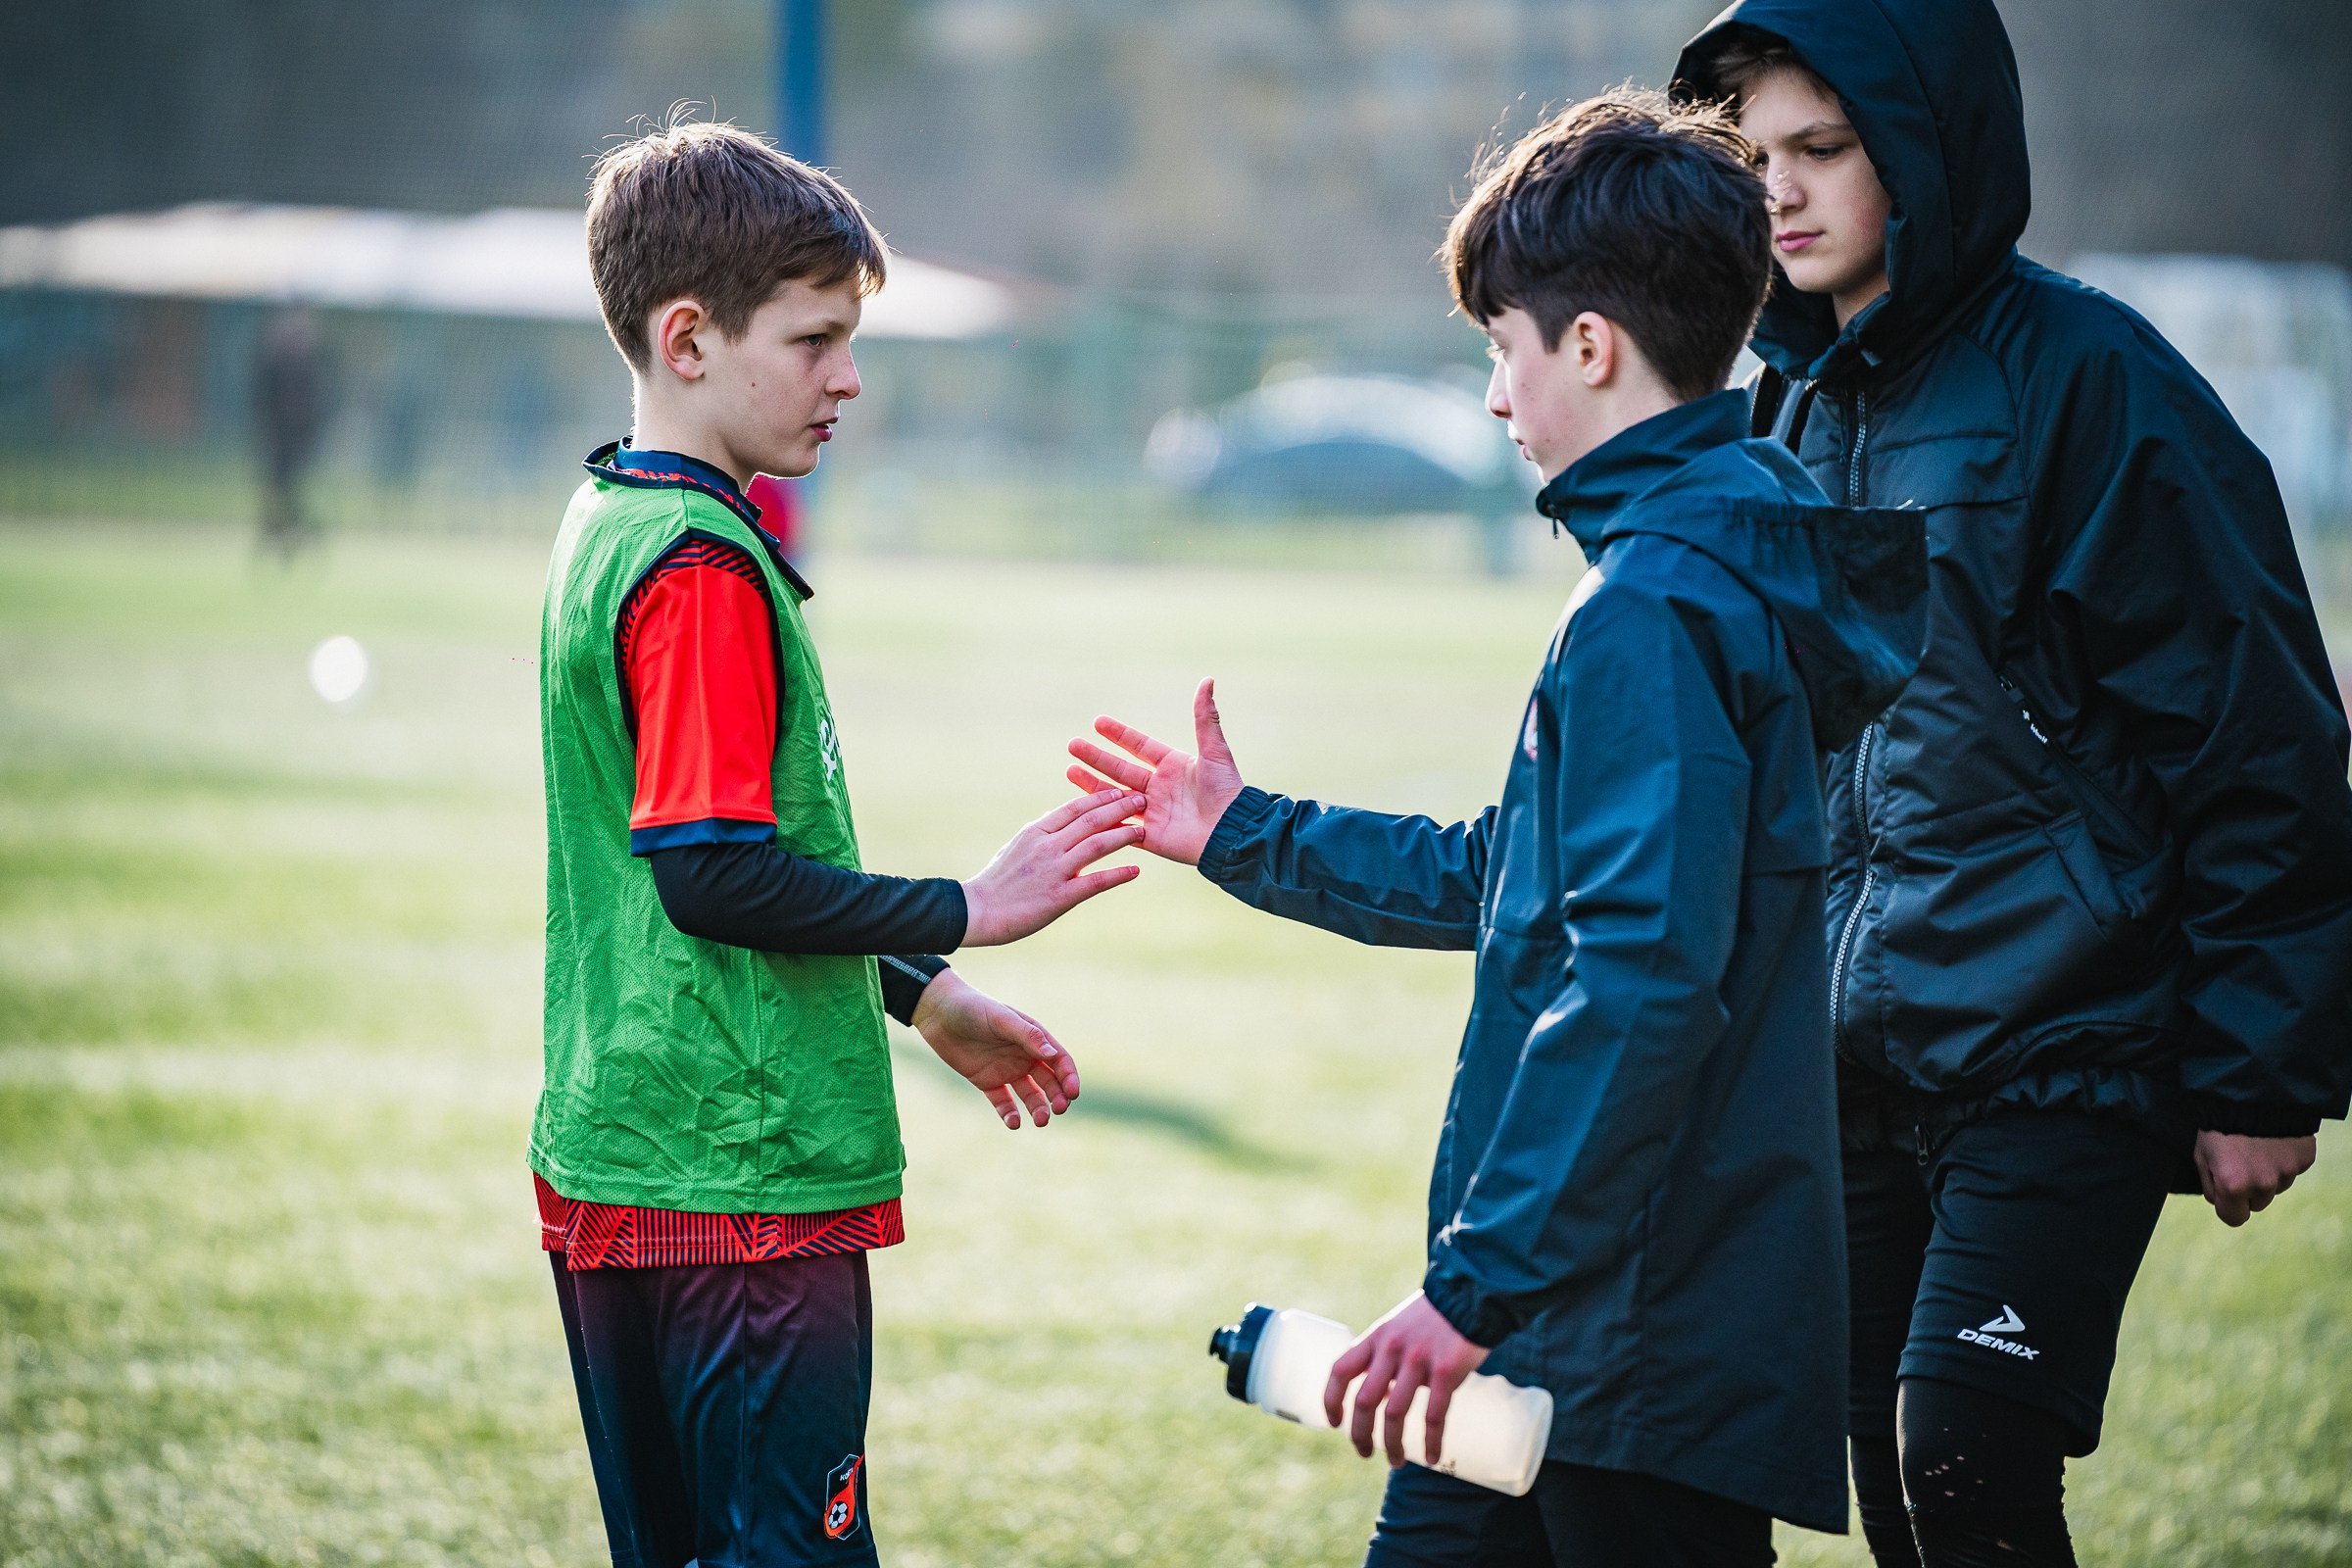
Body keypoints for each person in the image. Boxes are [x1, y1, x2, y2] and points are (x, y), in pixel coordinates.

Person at [1069, 91, 1927, 1567]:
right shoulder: (1710, 559)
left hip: (1628, 1337)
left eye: (1500, 351)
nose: (1491, 398)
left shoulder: (1656, 607)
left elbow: (1641, 981)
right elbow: (1516, 880)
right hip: (1574, 1325)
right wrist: (1245, 832)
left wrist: (1476, 1284)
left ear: (1588, 348)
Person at [1673, 5, 2352, 1564]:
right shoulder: (1768, 412)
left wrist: (2260, 1066)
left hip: (2069, 1040)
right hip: (1842, 1070)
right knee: (1894, 1492)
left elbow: (2251, 721)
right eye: (1754, 157)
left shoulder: (2094, 379)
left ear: (1926, 148)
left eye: (1822, 151)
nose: (1779, 192)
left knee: (1970, 1461)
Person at [534, 121, 1146, 1567]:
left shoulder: (608, 514)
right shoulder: (699, 571)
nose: (848, 378)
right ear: (687, 339)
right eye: (813, 341)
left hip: (626, 1154)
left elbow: (693, 857)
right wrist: (972, 906)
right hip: (739, 1176)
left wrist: (923, 990)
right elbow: (711, 871)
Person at [253, 305, 331, 558]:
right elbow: (263, 405)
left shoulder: (307, 367)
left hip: (296, 442)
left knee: (286, 492)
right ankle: (283, 535)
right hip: (278, 441)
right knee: (278, 492)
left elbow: (314, 408)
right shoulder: (275, 367)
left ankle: (290, 535)